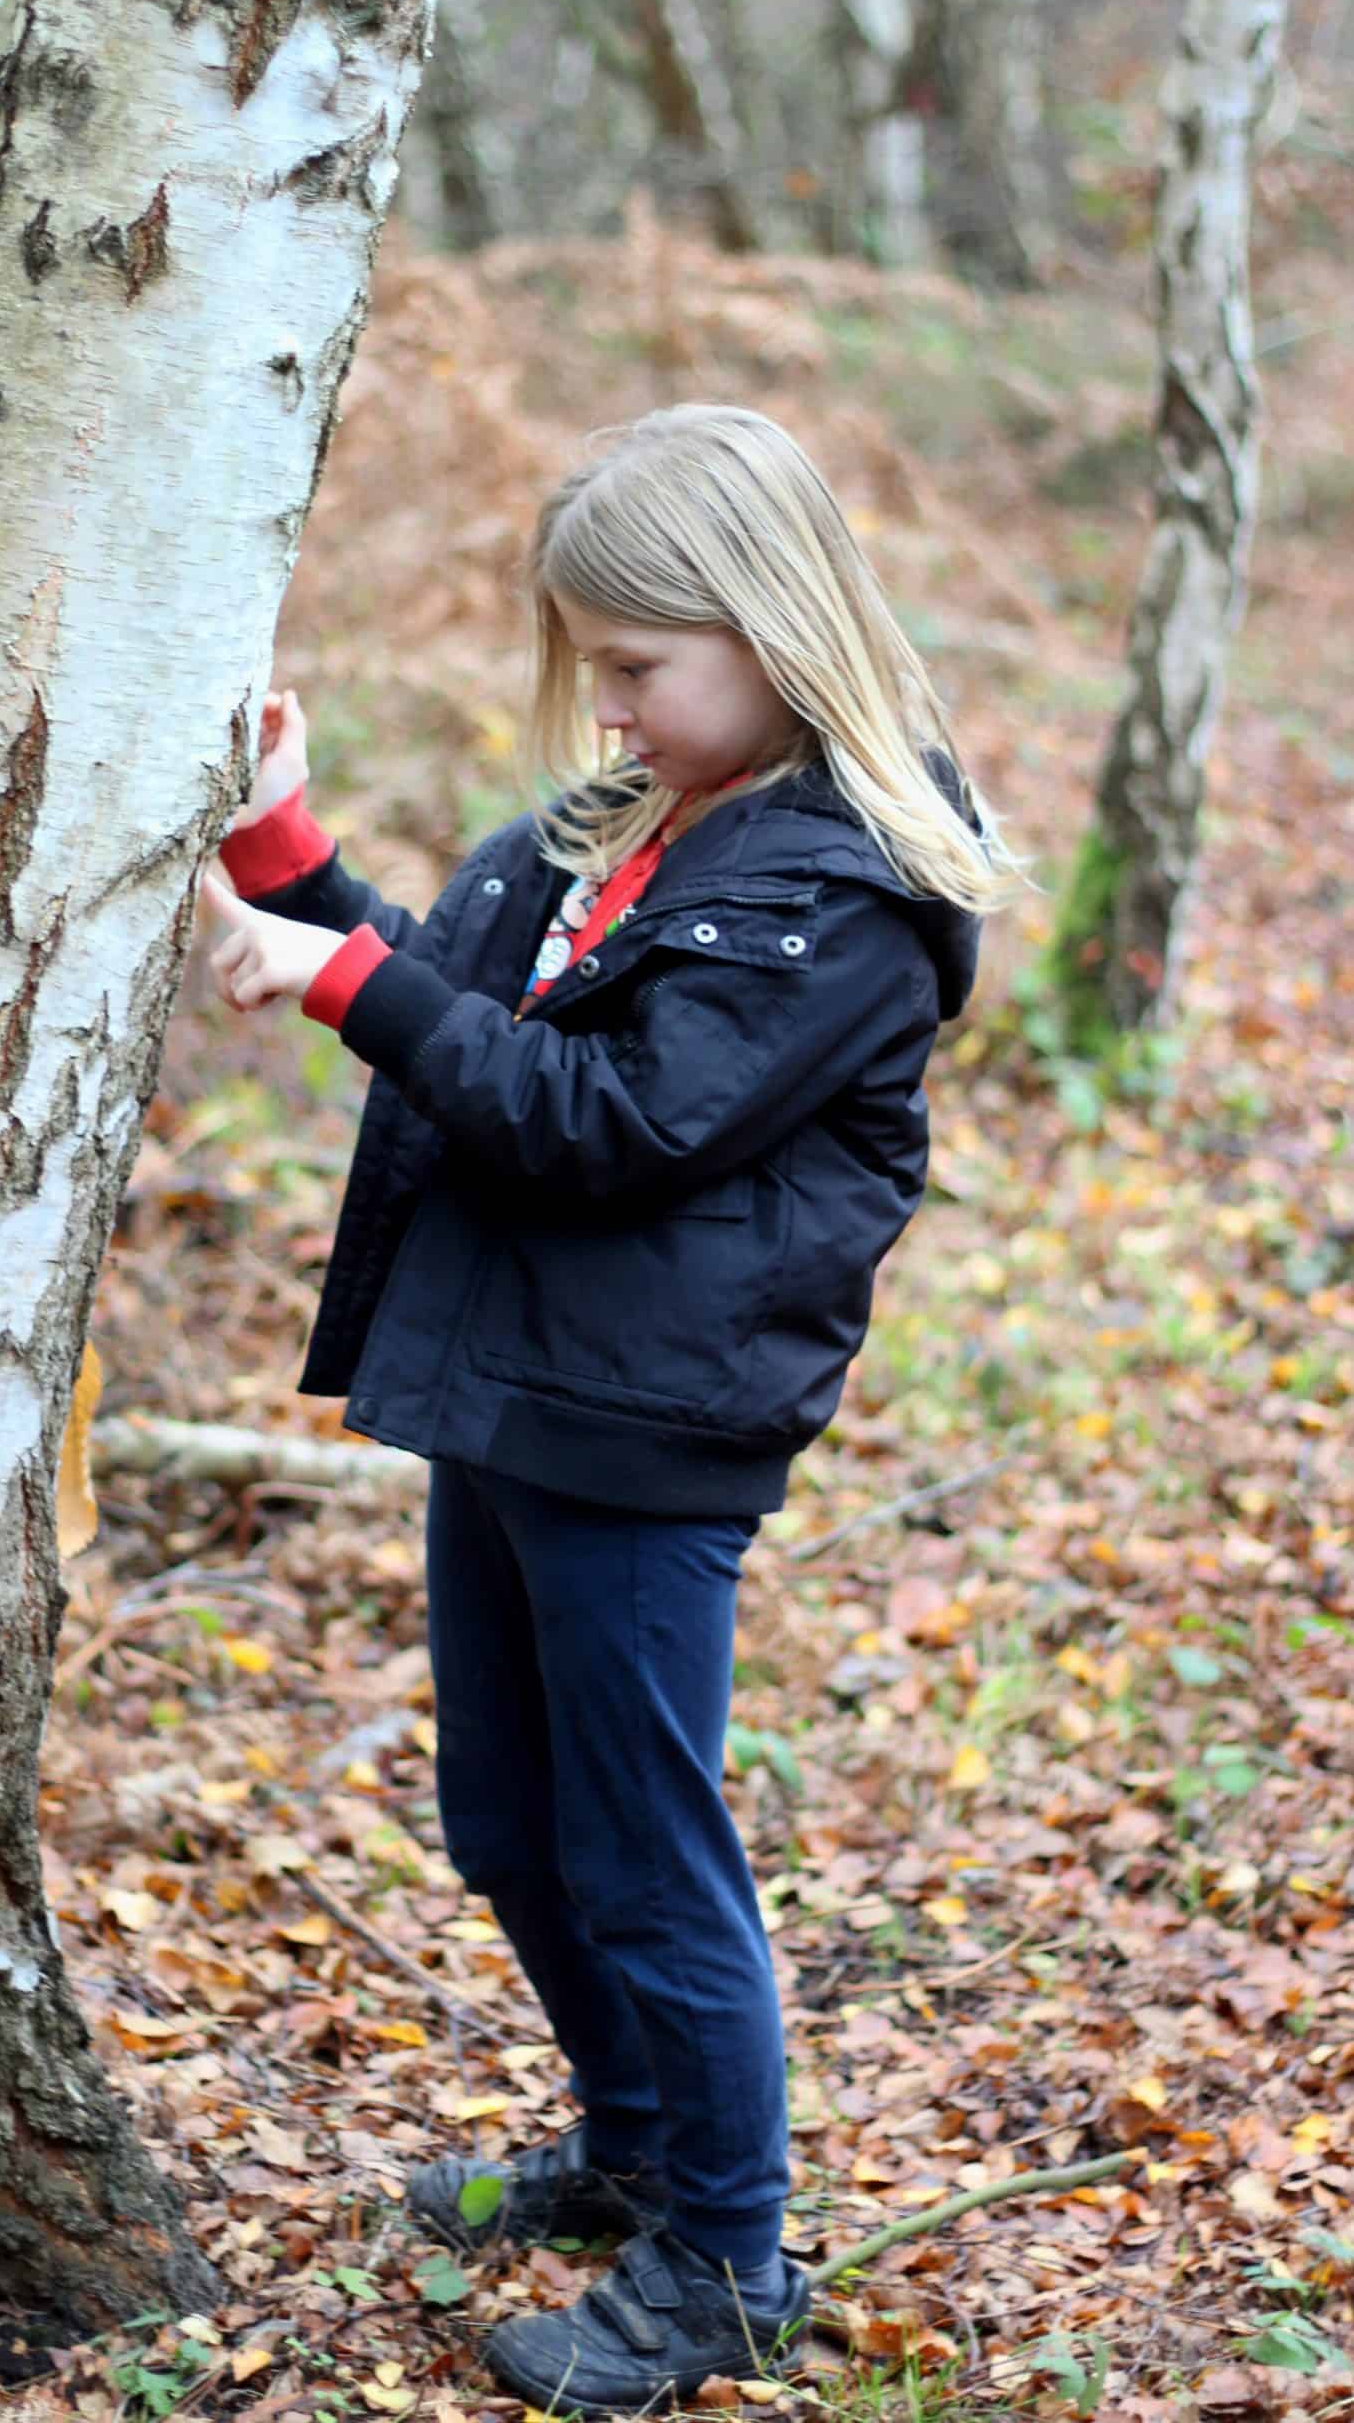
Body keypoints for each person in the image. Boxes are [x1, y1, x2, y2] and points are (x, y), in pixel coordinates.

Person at [200, 405, 1020, 2413]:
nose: (618, 709)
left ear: (765, 625)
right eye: (594, 671)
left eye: (643, 667)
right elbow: (457, 1000)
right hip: (510, 1386)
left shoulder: (832, 882)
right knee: (507, 1819)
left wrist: (322, 986)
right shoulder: (610, 827)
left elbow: (614, 1120)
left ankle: (723, 2257)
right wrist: (289, 861)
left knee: (642, 1844)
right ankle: (635, 2146)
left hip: (643, 1430)